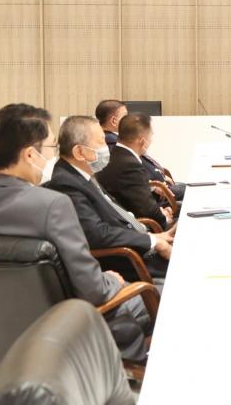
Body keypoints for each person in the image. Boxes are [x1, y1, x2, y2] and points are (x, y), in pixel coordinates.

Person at [0, 103, 151, 361]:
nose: (53, 156)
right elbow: (93, 289)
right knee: (157, 295)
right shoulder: (51, 204)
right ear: (30, 155)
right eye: (51, 147)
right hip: (56, 334)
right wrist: (112, 280)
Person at [45, 116, 174, 281]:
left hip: (137, 243)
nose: (107, 148)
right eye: (101, 142)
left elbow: (115, 215)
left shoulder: (82, 174)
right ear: (79, 152)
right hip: (129, 262)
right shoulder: (66, 183)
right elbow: (98, 234)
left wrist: (155, 237)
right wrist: (152, 241)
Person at [97, 113, 174, 229]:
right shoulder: (129, 164)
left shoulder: (116, 155)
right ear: (142, 141)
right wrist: (164, 216)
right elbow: (148, 210)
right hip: (139, 226)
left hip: (130, 216)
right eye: (151, 136)